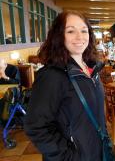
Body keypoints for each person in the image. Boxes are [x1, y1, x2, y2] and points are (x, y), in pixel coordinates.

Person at [24, 11, 108, 161]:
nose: (79, 37)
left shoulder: (91, 69)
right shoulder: (51, 76)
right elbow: (36, 126)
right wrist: (69, 157)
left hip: (96, 152)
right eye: (70, 31)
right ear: (59, 36)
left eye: (84, 30)